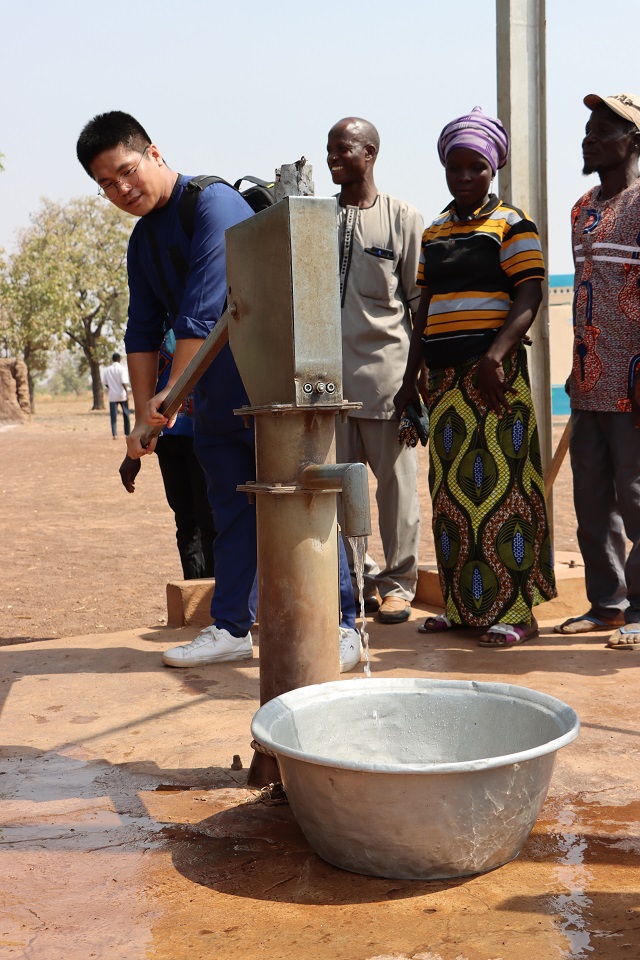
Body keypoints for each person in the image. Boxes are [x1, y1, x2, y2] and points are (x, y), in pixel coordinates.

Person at [76, 111, 361, 671]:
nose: (121, 190)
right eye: (106, 184)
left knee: (306, 501)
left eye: (127, 172)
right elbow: (140, 328)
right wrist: (144, 414)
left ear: (154, 153)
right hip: (213, 401)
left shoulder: (213, 204)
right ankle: (232, 625)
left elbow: (201, 314)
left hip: (272, 391)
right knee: (229, 511)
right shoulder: (142, 241)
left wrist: (169, 398)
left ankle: (342, 625)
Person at [394, 106, 556, 647]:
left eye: (476, 168)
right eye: (455, 168)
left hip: (494, 376)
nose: (464, 178)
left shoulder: (513, 223)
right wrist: (410, 372)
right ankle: (465, 608)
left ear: (493, 169)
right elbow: (425, 306)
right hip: (442, 382)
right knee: (453, 496)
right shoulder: (436, 230)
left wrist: (494, 355)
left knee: (506, 492)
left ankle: (518, 613)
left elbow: (529, 294)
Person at [327, 116, 423, 625]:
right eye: (329, 150)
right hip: (328, 387)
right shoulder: (316, 219)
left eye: (343, 149)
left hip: (387, 379)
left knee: (397, 490)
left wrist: (414, 383)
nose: (332, 159)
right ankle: (353, 581)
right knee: (340, 492)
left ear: (370, 153)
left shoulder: (403, 217)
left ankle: (399, 585)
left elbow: (418, 306)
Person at [554, 93, 640, 650]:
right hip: (587, 384)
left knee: (637, 501)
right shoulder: (582, 207)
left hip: (634, 385)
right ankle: (606, 605)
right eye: (587, 128)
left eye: (602, 129)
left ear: (632, 141)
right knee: (591, 505)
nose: (588, 138)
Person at [119, 330, 217, 581]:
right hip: (167, 439)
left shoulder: (205, 320)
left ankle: (215, 603)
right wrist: (133, 454)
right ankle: (194, 597)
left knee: (210, 522)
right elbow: (145, 385)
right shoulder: (156, 326)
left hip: (205, 434)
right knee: (186, 524)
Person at [101, 352, 131, 439]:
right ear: (119, 359)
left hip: (112, 395)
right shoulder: (122, 369)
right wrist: (127, 393)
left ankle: (114, 434)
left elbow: (105, 383)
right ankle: (127, 433)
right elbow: (124, 382)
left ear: (112, 359)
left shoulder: (107, 370)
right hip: (122, 394)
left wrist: (111, 387)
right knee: (126, 414)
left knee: (113, 416)